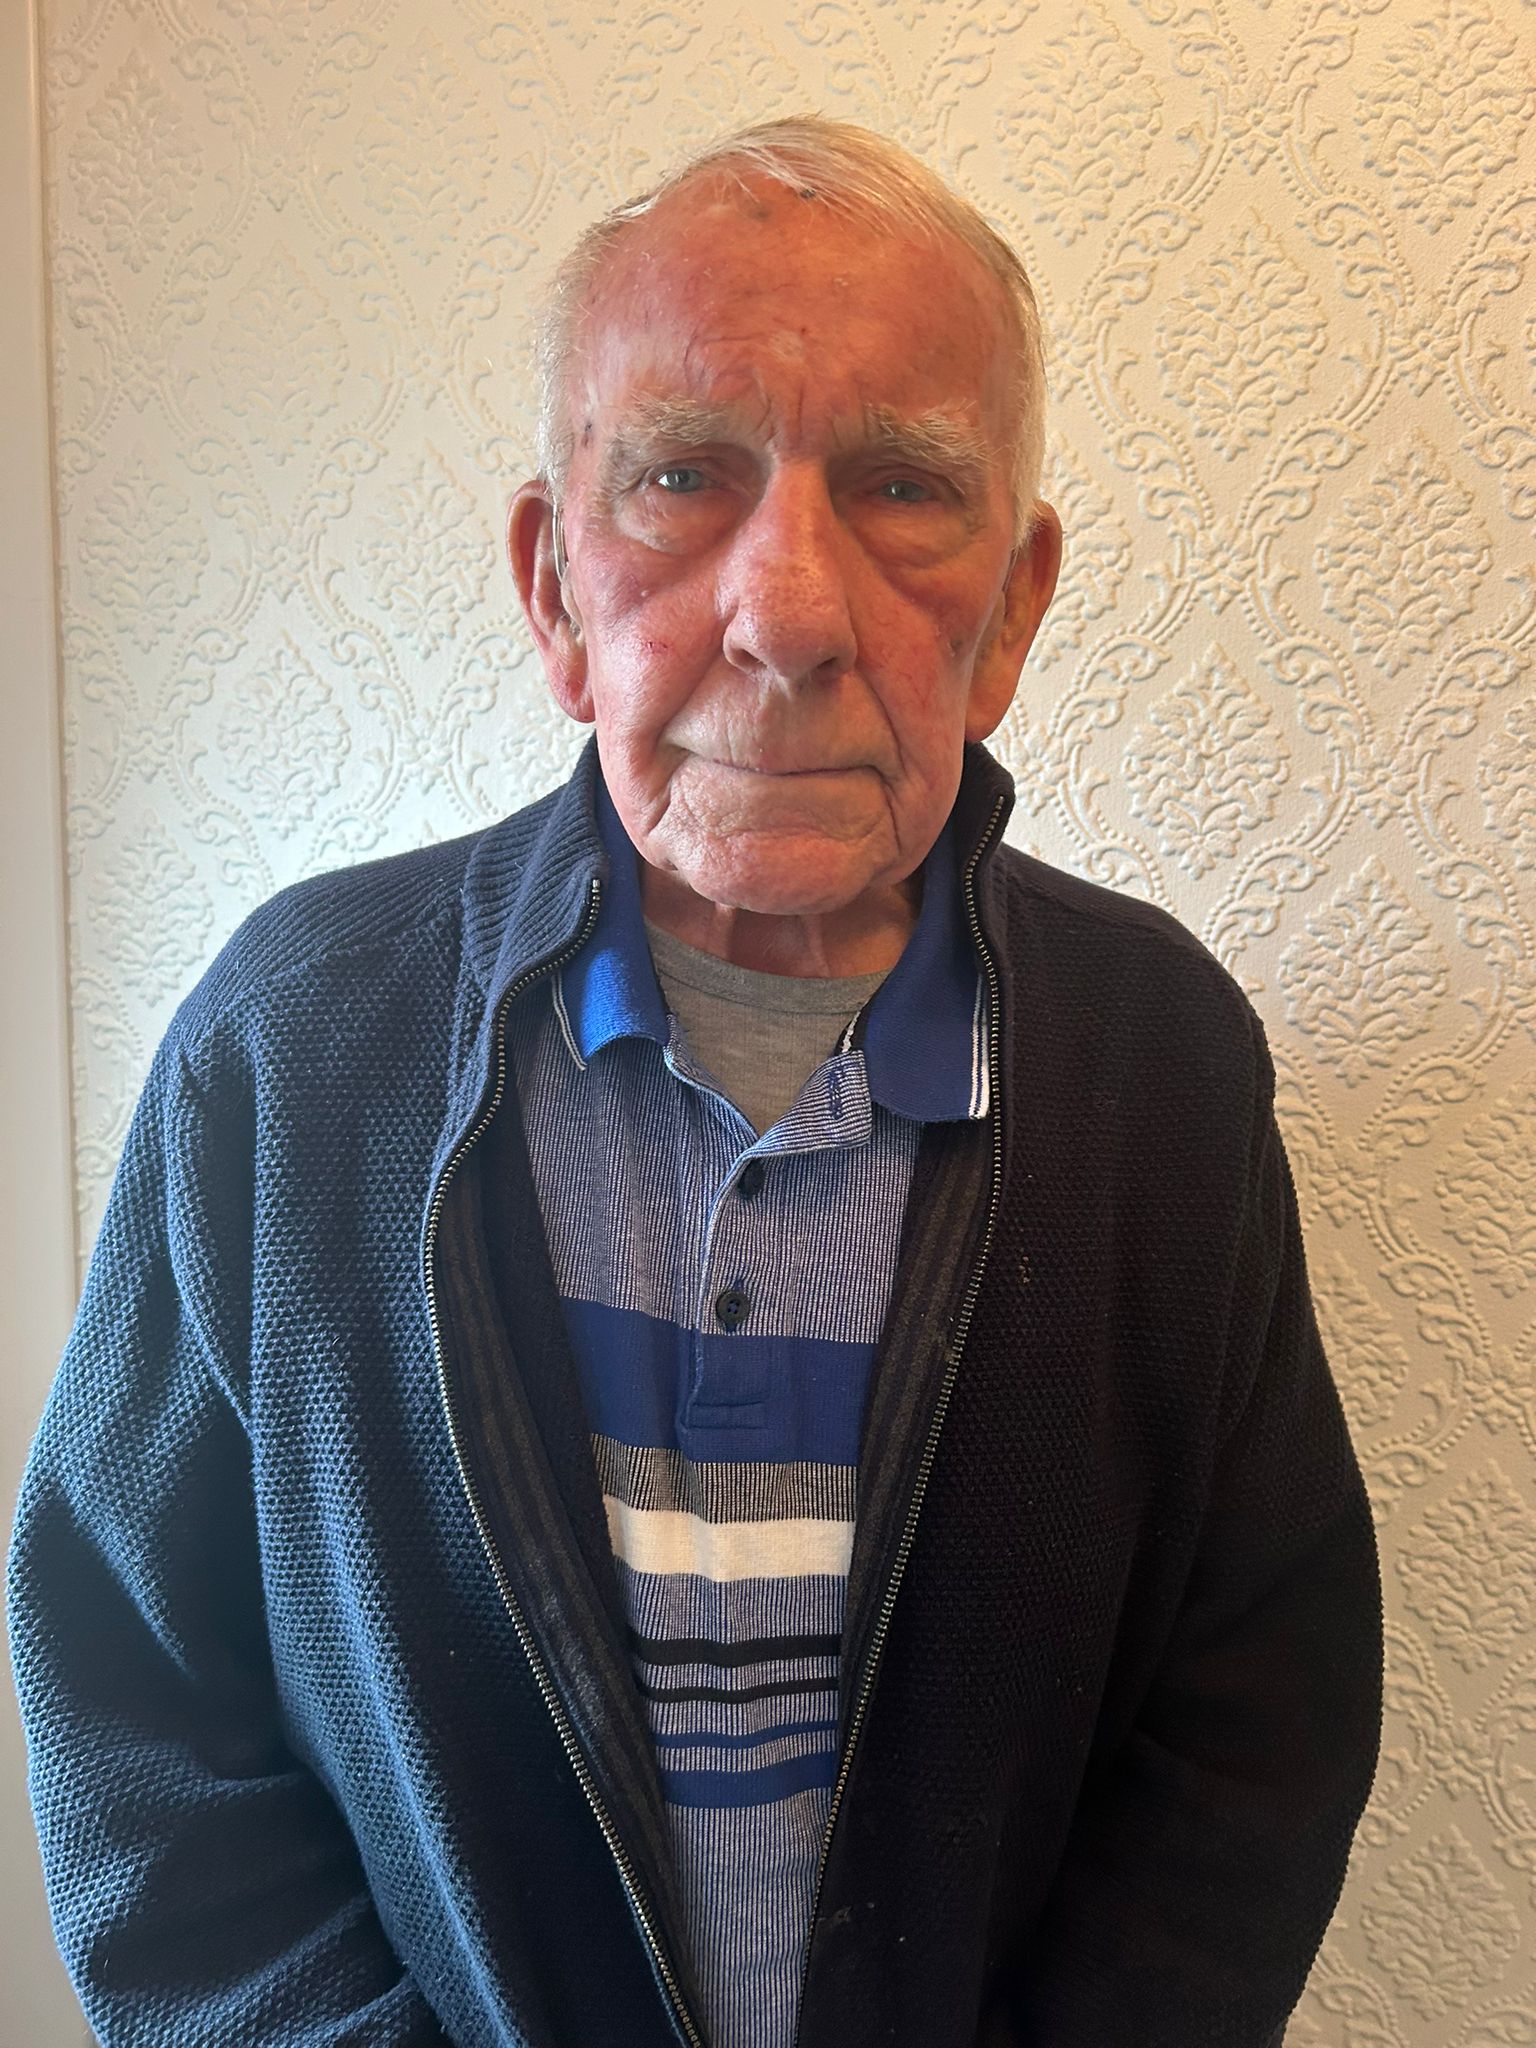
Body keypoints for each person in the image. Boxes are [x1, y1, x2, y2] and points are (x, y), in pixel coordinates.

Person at [9, 118, 1381, 2048]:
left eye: (905, 486)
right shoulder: (291, 1044)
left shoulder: (1159, 1065)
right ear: (555, 585)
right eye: (680, 476)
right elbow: (132, 1690)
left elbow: (1259, 1708)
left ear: (1017, 605)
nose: (790, 610)